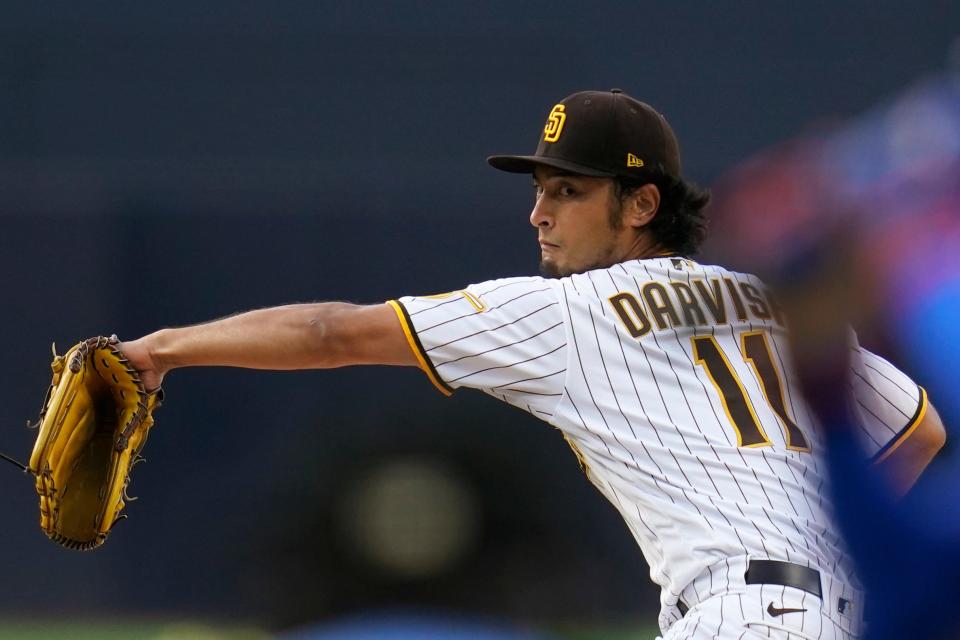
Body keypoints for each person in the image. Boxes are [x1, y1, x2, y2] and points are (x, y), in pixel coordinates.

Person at [119, 89, 945, 639]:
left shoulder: (568, 312)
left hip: (736, 617)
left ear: (642, 204)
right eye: (541, 189)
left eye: (568, 193)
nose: (538, 213)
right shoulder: (766, 301)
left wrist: (161, 349)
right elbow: (917, 430)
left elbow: (336, 333)